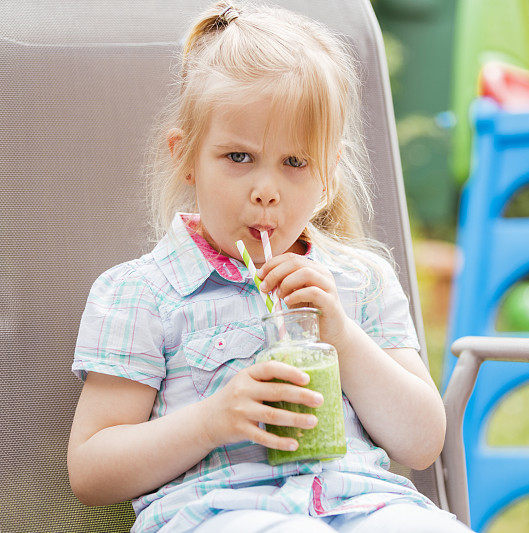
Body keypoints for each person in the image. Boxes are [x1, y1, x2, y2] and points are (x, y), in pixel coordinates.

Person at [67, 2, 473, 532]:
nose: (265, 191)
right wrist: (212, 420)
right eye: (238, 157)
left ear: (327, 177)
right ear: (185, 156)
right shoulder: (142, 292)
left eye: (295, 163)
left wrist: (344, 338)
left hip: (366, 506)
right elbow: (91, 470)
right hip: (220, 514)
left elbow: (421, 444)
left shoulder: (360, 282)